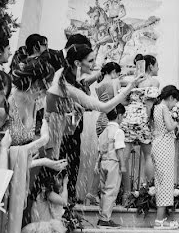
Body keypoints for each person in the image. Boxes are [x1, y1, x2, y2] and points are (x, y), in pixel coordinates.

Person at [45, 44, 134, 203]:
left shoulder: (65, 78)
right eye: (91, 60)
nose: (94, 65)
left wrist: (75, 108)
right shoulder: (66, 85)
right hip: (54, 139)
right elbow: (105, 107)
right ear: (78, 63)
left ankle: (68, 207)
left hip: (60, 134)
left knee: (62, 177)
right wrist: (129, 88)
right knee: (55, 183)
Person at [119, 55, 161, 194]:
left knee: (124, 158)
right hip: (142, 117)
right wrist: (147, 122)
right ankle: (150, 191)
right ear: (150, 66)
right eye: (156, 65)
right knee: (148, 156)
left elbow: (123, 101)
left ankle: (126, 193)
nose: (158, 68)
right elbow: (149, 104)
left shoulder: (133, 81)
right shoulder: (153, 82)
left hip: (129, 117)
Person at [151, 85, 179, 230]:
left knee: (160, 181)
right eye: (175, 101)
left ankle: (161, 219)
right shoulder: (164, 108)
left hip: (157, 144)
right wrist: (176, 123)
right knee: (165, 182)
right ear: (171, 98)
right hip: (164, 147)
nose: (174, 105)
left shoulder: (156, 107)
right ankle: (159, 220)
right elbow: (169, 127)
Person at [95, 109, 125, 229]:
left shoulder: (103, 132)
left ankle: (102, 216)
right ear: (119, 116)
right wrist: (122, 165)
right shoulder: (118, 131)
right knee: (111, 190)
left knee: (103, 190)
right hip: (113, 162)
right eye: (123, 116)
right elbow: (119, 149)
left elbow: (99, 150)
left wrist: (97, 163)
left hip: (103, 162)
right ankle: (105, 219)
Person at [21, 168, 68, 233]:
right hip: (45, 231)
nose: (61, 181)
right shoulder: (47, 193)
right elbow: (64, 202)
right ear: (54, 178)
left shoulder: (42, 192)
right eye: (60, 178)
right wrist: (65, 184)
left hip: (40, 229)